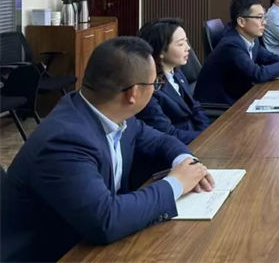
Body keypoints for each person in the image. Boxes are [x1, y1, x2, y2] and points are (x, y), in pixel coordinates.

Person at [0, 37, 216, 262]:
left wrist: (186, 163)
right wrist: (176, 184)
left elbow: (161, 141)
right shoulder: (64, 140)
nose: (156, 90)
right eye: (155, 84)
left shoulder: (113, 113)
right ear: (133, 93)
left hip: (88, 239)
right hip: (54, 253)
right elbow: (106, 220)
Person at [194, 0, 279, 105]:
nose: (264, 22)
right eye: (259, 17)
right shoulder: (231, 45)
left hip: (239, 97)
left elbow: (268, 57)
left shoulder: (251, 39)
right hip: (219, 106)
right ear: (242, 21)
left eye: (264, 17)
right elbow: (256, 74)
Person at [136, 18, 210, 144]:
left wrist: (208, 132)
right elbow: (168, 133)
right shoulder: (150, 87)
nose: (188, 48)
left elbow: (195, 106)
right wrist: (205, 138)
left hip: (195, 137)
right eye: (181, 44)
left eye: (186, 41)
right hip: (177, 146)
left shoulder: (175, 71)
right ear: (160, 51)